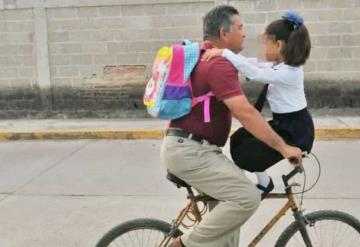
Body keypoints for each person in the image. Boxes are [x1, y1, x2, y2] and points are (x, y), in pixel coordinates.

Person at [161, 5, 302, 247]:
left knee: (226, 233)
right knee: (246, 198)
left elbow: (256, 72)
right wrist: (283, 147)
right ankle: (182, 245)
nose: (245, 33)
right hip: (193, 152)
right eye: (240, 27)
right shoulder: (217, 64)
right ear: (224, 34)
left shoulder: (205, 56)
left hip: (192, 148)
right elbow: (244, 112)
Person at [202, 11, 314, 199]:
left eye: (266, 44)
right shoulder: (279, 67)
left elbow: (254, 73)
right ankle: (264, 182)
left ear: (278, 45)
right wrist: (230, 60)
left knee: (249, 153)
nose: (262, 49)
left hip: (295, 129)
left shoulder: (291, 73)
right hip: (283, 123)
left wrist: (224, 53)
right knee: (240, 139)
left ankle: (254, 186)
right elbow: (250, 65)